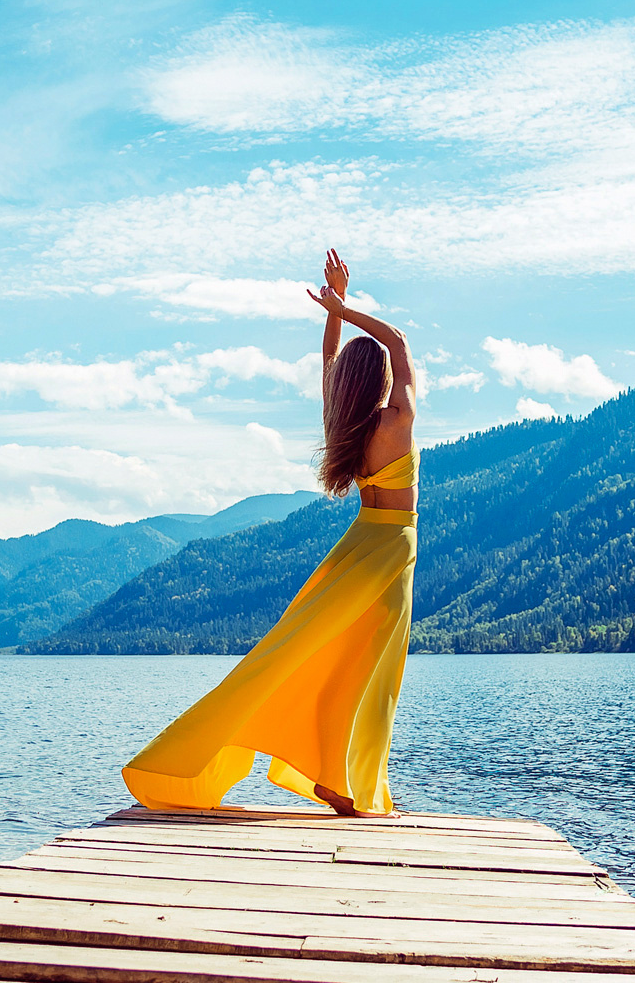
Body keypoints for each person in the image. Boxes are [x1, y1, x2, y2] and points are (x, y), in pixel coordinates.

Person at [120, 248, 417, 817]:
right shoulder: (397, 420)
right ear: (378, 381)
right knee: (373, 671)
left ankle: (340, 782)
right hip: (393, 549)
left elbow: (330, 364)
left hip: (357, 546)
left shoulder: (346, 424)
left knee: (313, 652)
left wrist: (335, 311)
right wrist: (343, 309)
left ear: (346, 385)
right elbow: (399, 343)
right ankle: (352, 785)